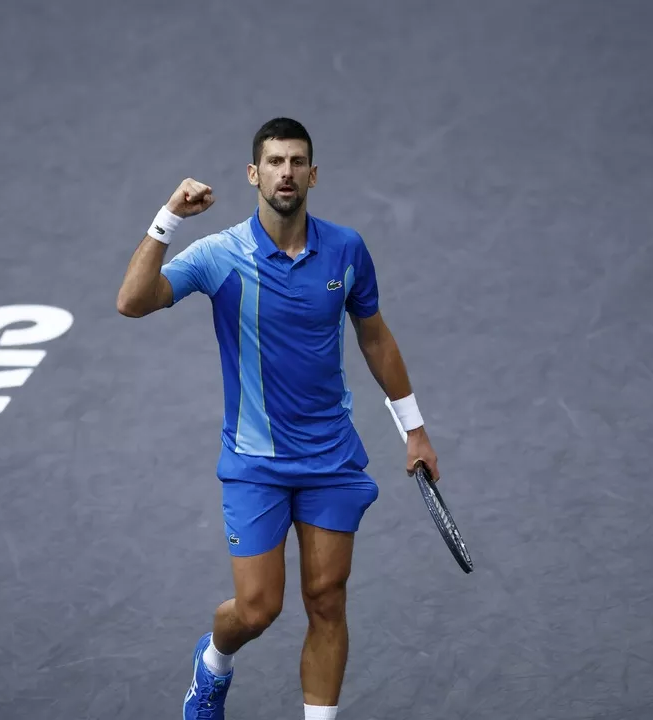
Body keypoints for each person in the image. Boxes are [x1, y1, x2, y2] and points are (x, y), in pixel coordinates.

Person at [115, 117, 440, 720]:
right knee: (258, 610)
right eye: (274, 162)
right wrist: (170, 216)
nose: (285, 172)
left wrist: (413, 428)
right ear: (253, 174)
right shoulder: (219, 255)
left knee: (327, 601)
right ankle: (212, 662)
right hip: (255, 464)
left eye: (296, 162)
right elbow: (132, 301)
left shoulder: (346, 249)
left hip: (332, 460)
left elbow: (374, 337)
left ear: (312, 174)